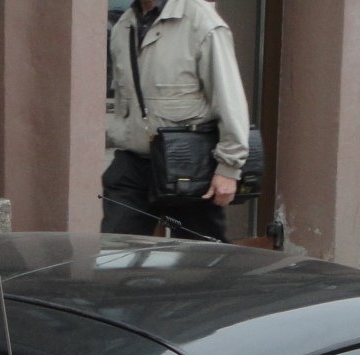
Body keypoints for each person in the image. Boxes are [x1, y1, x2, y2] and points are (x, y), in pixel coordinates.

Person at [103, 0, 251, 243]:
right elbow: (124, 101)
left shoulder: (201, 20)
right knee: (113, 253)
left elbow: (229, 98)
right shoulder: (123, 26)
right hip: (135, 164)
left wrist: (229, 167)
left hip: (190, 163)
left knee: (202, 261)